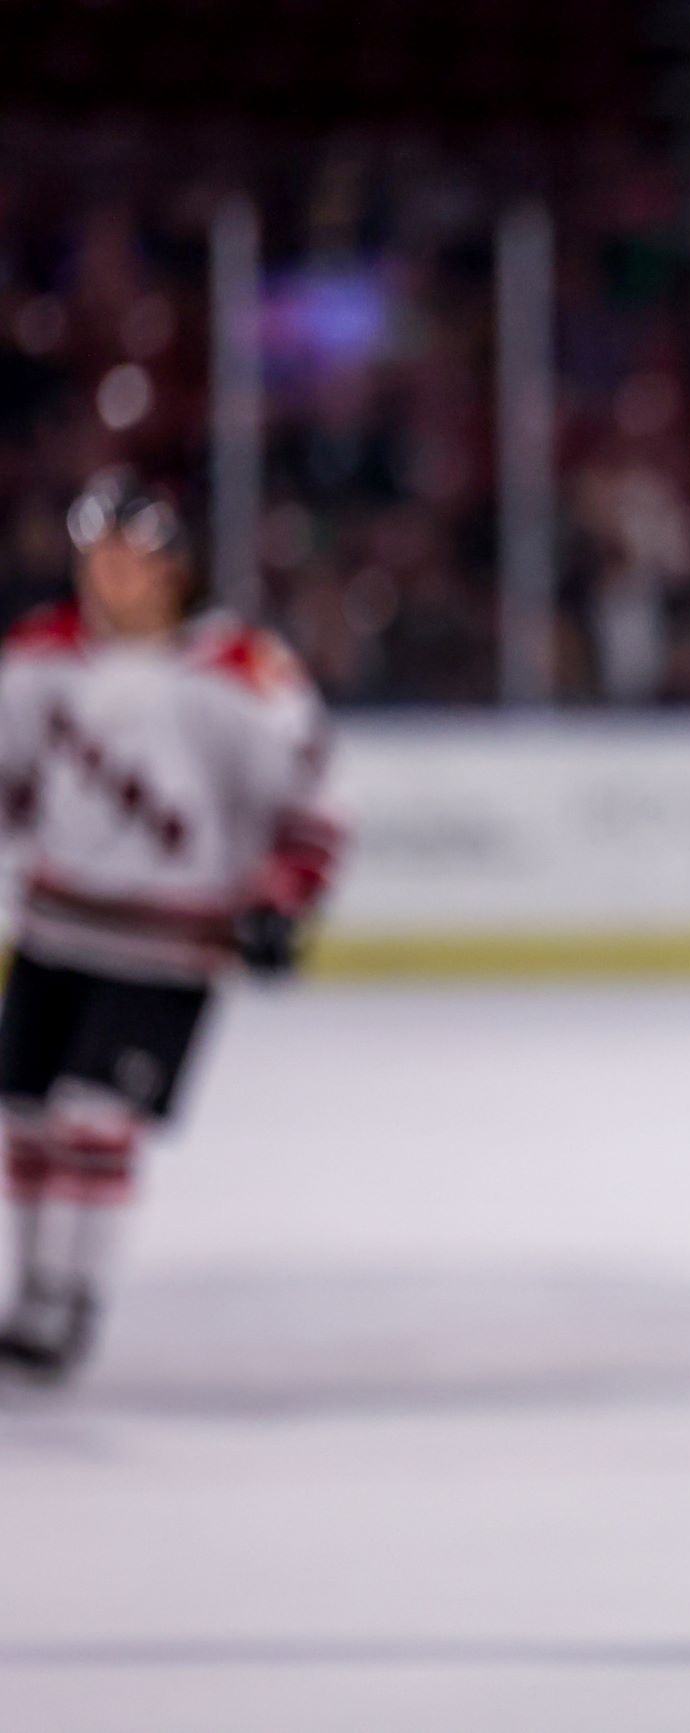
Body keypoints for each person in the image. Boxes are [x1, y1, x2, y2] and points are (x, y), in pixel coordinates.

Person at [0, 468, 341, 1381]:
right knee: (25, 1117)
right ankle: (31, 1295)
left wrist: (282, 896)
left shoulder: (239, 672)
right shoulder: (39, 656)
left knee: (94, 1118)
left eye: (128, 557)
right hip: (55, 928)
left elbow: (309, 800)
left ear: (170, 567)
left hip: (168, 944)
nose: (107, 575)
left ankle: (68, 1300)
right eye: (96, 557)